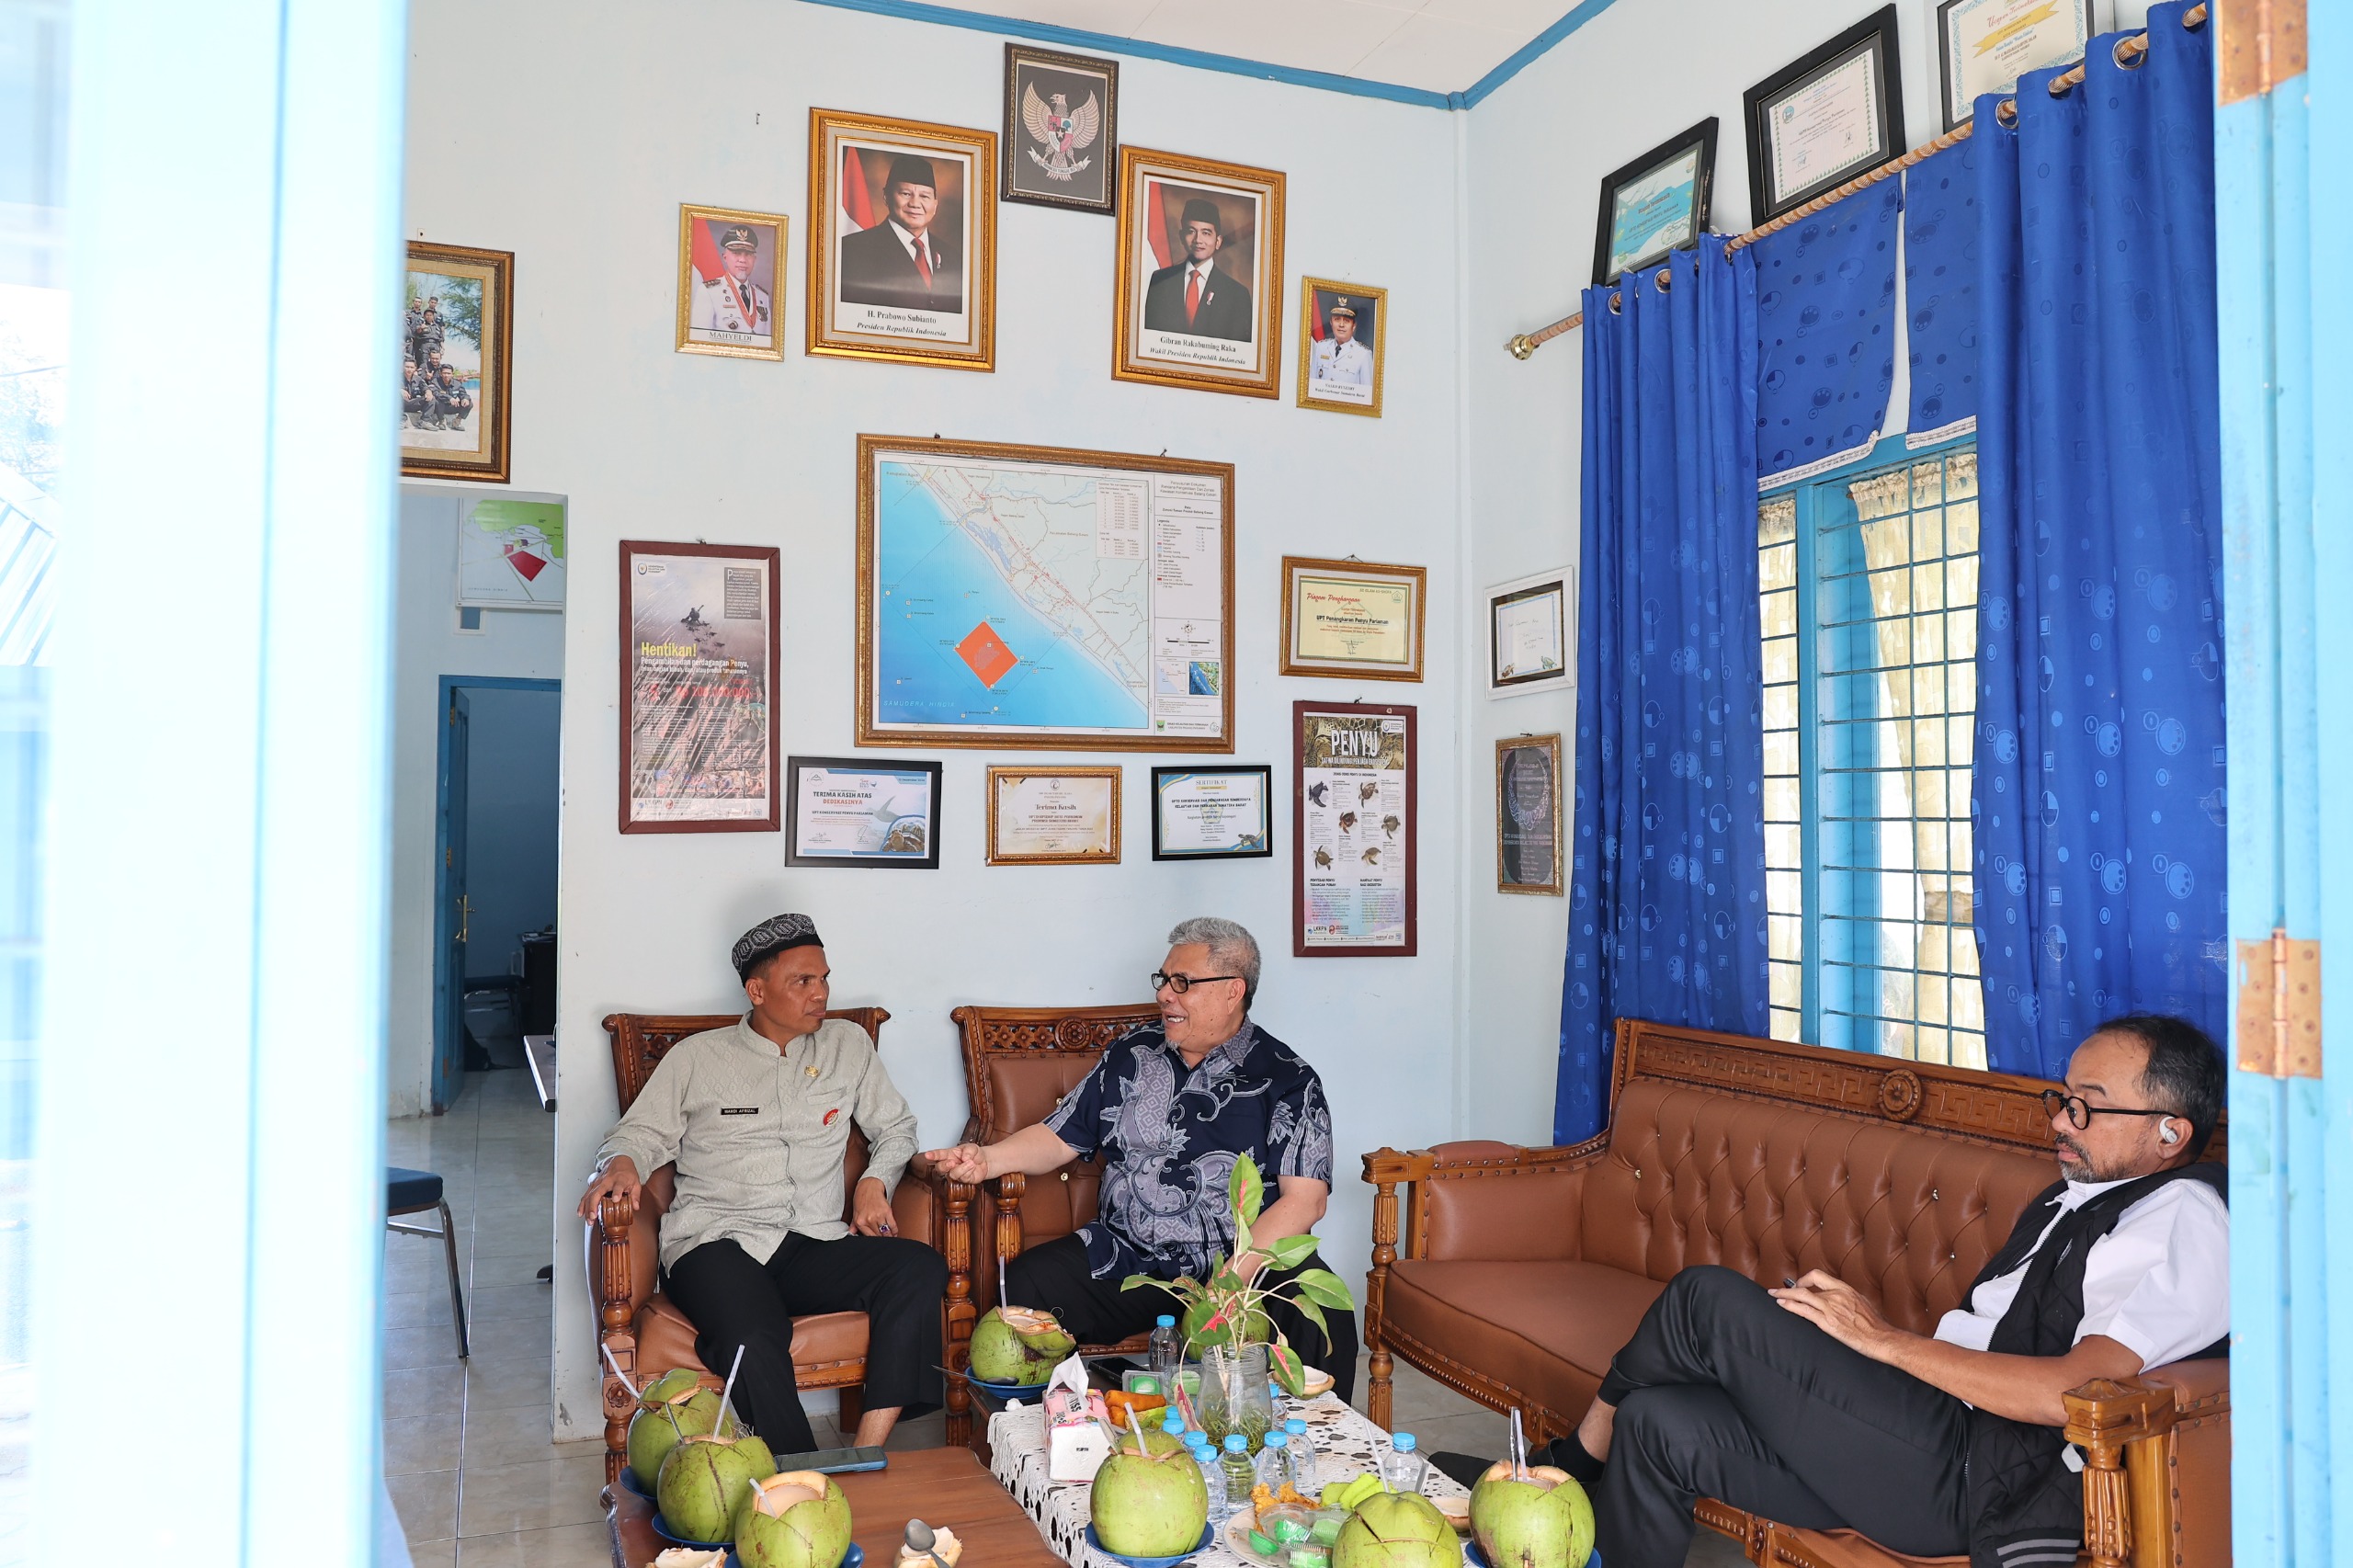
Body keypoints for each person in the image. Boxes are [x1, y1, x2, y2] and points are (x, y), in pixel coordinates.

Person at [1428, 1014, 2229, 1568]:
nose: (2061, 1120)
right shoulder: (2076, 1197)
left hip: (1974, 1474)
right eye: (2063, 1099)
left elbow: (2072, 1393)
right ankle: (1574, 1509)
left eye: (2089, 1108)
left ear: (2171, 1132)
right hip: (1920, 1436)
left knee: (1705, 1300)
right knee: (1659, 1421)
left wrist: (1880, 1341)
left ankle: (1567, 1466)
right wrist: (1872, 1341)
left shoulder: (2185, 1217)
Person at [926, 916, 1357, 1395]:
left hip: (1242, 1271)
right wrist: (988, 1159)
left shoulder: (1288, 1079)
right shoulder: (1132, 1053)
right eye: (1164, 980)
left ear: (1232, 991)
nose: (1164, 994)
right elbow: (1061, 1135)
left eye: (1182, 983)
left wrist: (1232, 1278)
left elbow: (1305, 1200)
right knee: (1033, 1284)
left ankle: (1308, 1435)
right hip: (1128, 1257)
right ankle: (1047, 1434)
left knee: (1322, 1313)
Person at [577, 914, 949, 1453]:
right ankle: (802, 1475)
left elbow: (896, 1129)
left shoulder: (847, 1045)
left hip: (814, 1241)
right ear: (757, 991)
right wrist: (622, 1163)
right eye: (803, 981)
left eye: (824, 978)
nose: (821, 994)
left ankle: (865, 1454)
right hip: (714, 1242)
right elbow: (636, 1134)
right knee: (750, 1335)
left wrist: (874, 1182)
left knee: (918, 1267)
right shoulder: (697, 1059)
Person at [837, 154, 961, 313]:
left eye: (924, 196)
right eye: (906, 194)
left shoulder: (954, 258)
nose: (915, 204)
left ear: (935, 204)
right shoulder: (851, 249)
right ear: (886, 197)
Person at [1142, 199, 1253, 342]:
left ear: (1218, 241)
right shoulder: (1160, 281)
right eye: (1191, 231)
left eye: (1206, 233)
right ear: (1182, 237)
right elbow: (1149, 338)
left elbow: (1239, 349)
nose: (1198, 240)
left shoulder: (1237, 294)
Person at [691, 223, 772, 337]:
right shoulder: (709, 292)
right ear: (725, 257)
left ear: (754, 259)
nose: (742, 260)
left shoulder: (763, 296)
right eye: (736, 253)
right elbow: (699, 339)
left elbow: (767, 341)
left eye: (748, 254)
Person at [1310, 299, 1372, 389]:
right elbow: (1311, 386)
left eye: (1346, 320)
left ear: (1354, 326)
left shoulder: (1363, 354)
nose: (1341, 325)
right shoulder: (1321, 347)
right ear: (1331, 322)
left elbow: (1366, 393)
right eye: (1337, 319)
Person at [429, 364, 472, 431]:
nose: (446, 375)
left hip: (452, 406)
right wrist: (449, 398)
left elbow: (463, 394)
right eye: (444, 373)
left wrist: (465, 398)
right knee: (437, 400)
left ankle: (457, 422)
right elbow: (435, 393)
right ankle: (441, 421)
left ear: (452, 374)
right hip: (439, 407)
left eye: (449, 373)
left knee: (469, 403)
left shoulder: (457, 384)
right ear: (440, 374)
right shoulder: (435, 382)